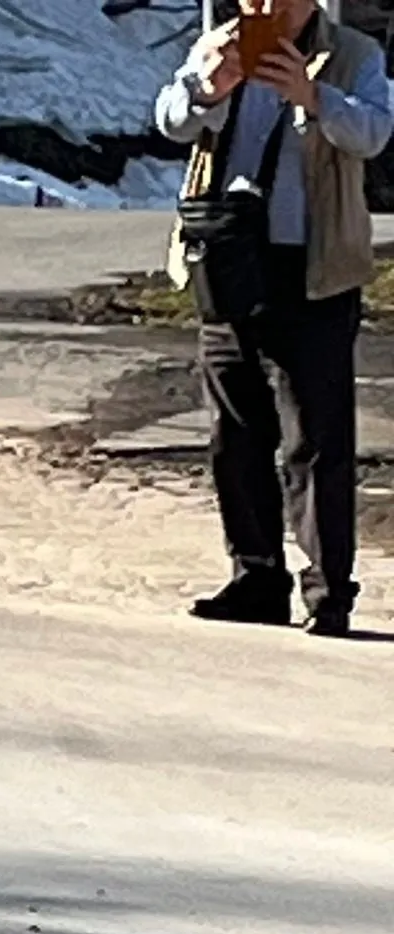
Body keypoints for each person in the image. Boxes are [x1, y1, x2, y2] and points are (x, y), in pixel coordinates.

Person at [156, 0, 392, 636]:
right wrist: (211, 88)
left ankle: (329, 593)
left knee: (316, 437)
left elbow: (374, 133)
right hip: (227, 258)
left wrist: (313, 95)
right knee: (234, 430)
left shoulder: (353, 55)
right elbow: (170, 122)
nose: (261, 7)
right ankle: (256, 577)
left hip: (311, 263)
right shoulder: (220, 44)